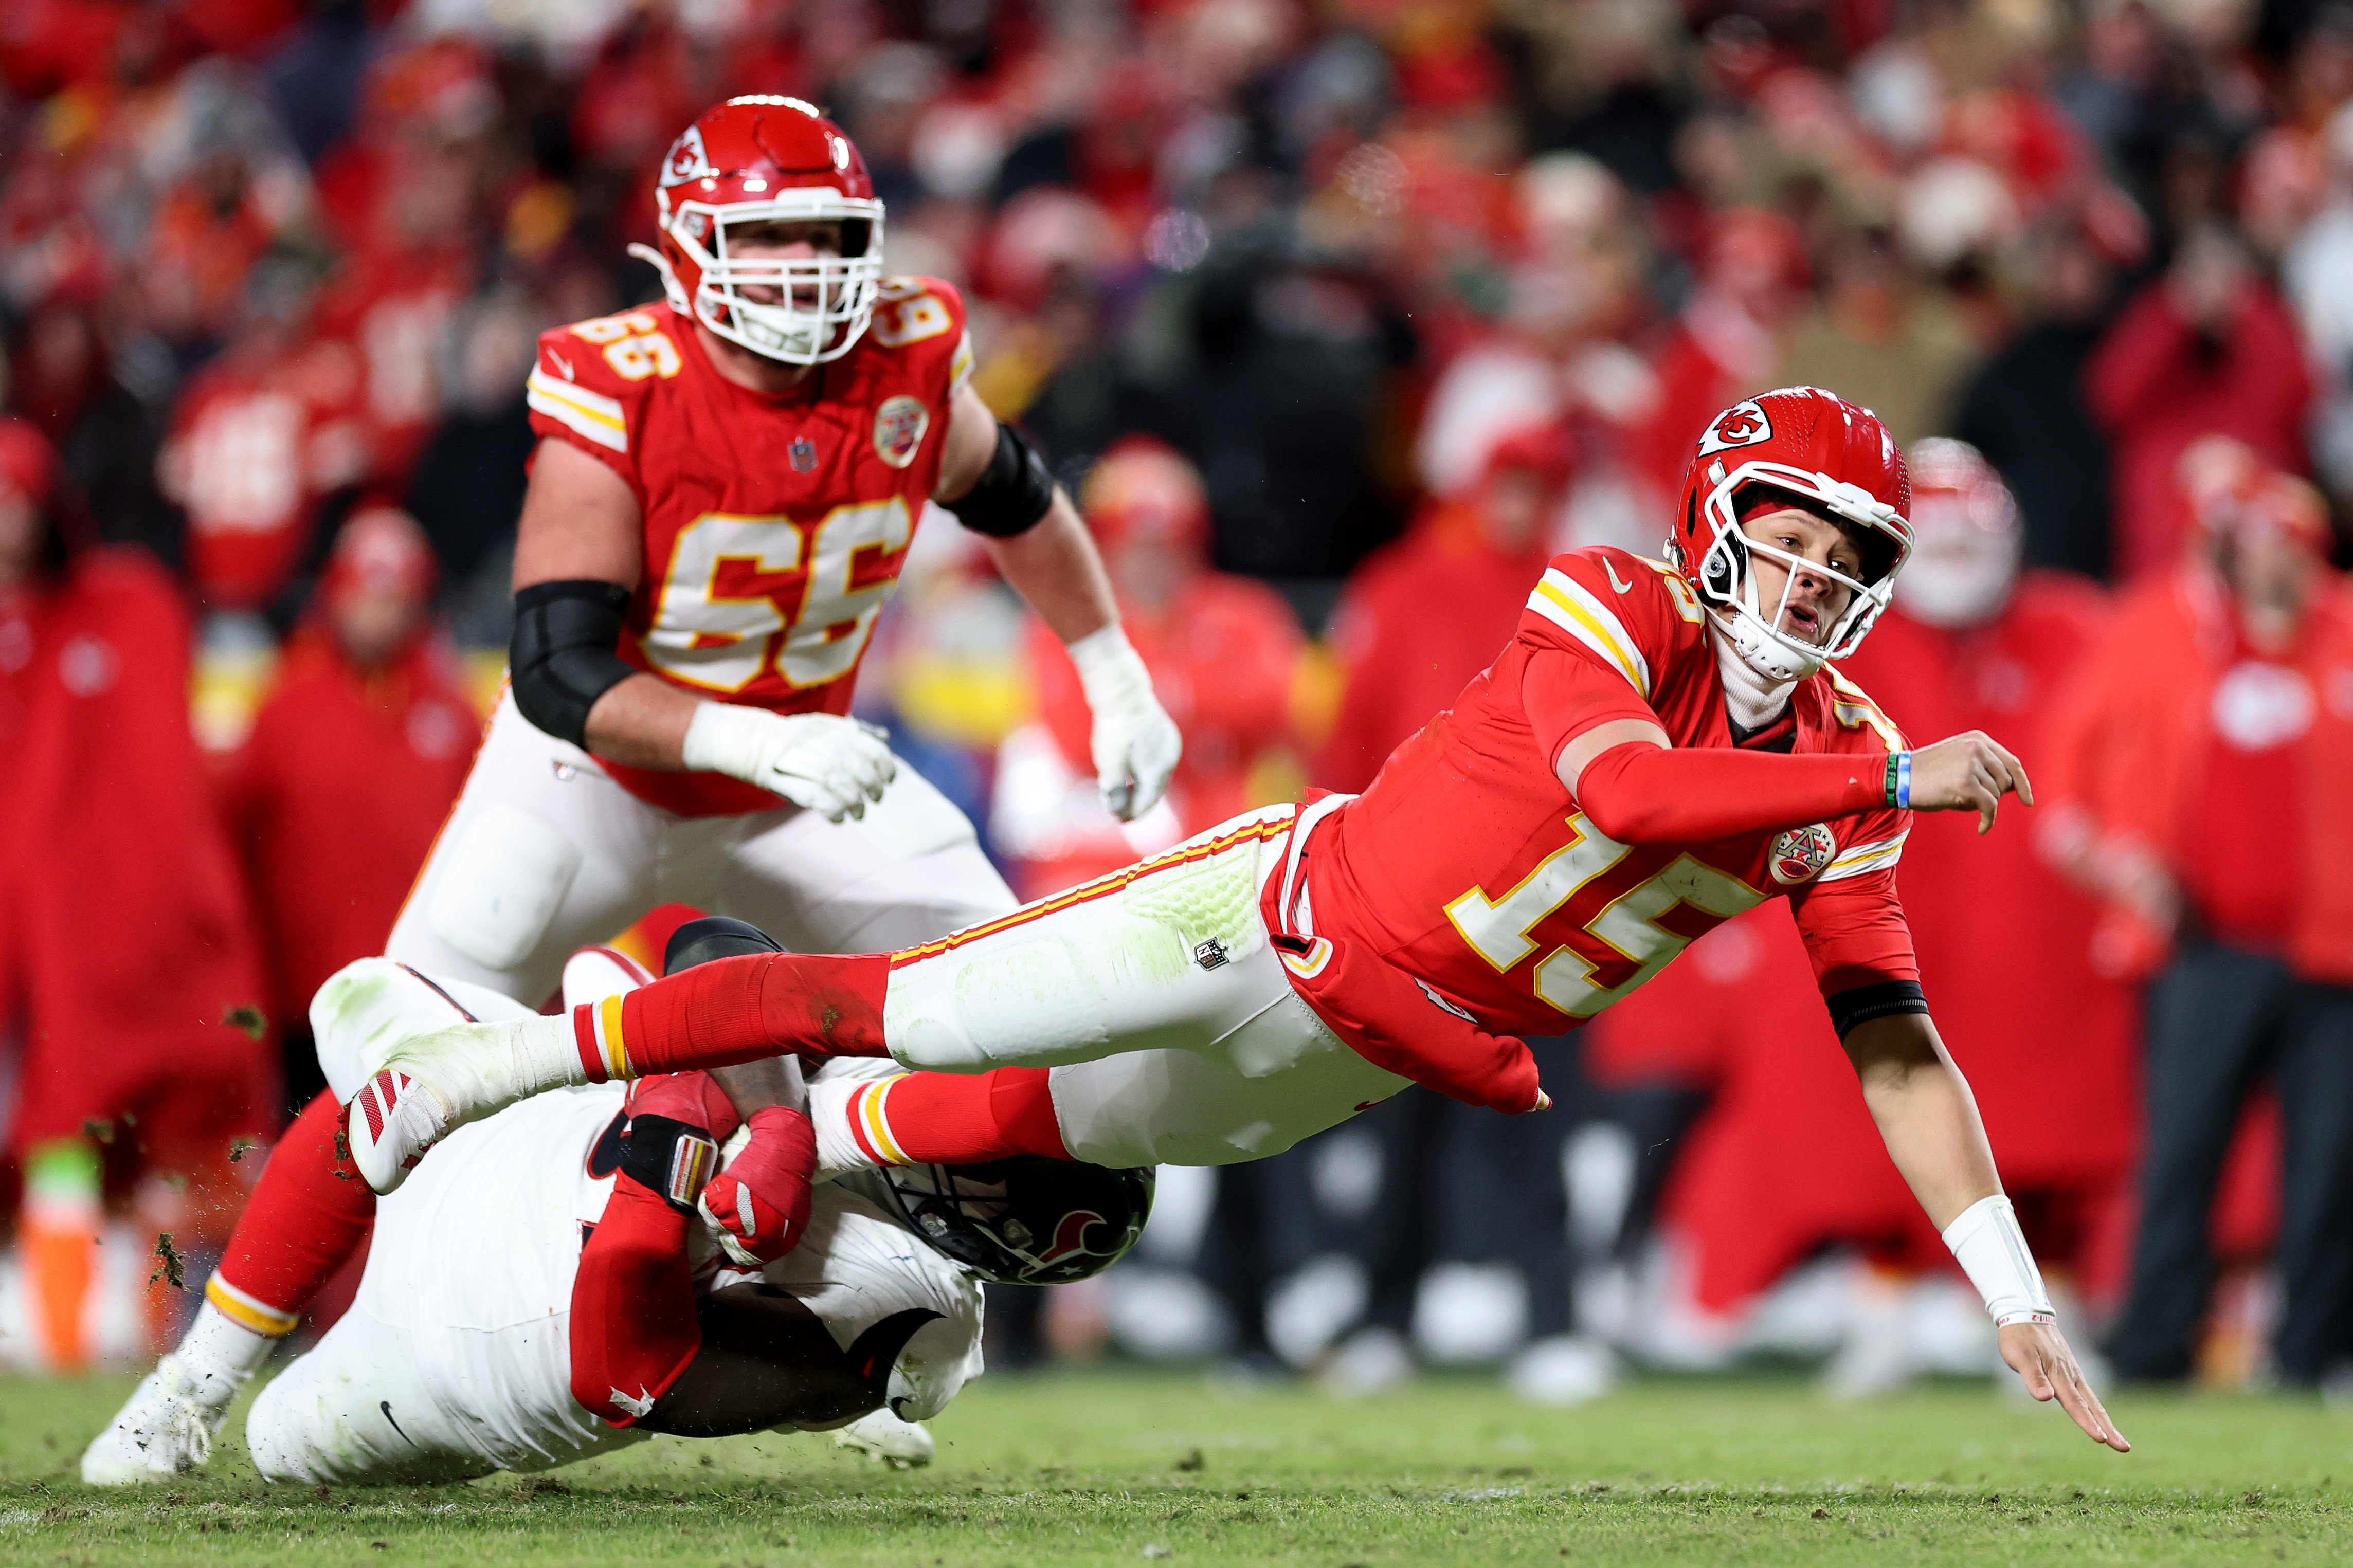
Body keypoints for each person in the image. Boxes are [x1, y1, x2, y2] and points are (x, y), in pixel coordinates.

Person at [351, 387, 2131, 1450]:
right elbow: (1622, 794)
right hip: (1255, 918)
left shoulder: (1847, 753)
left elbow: (1891, 1046)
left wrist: (2009, 1296)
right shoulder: (1617, 599)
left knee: (992, 1175)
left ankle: (703, 1142)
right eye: (1791, 532)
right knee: (886, 1011)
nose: (1817, 576)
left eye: (1853, 558)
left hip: (1333, 1067)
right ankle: (488, 1066)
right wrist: (1882, 789)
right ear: (1711, 517)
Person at [86, 95, 1180, 1481]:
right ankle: (196, 1383)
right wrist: (749, 738)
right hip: (597, 778)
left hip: (811, 789)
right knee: (394, 1070)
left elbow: (1015, 497)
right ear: (684, 246)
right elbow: (556, 663)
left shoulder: (906, 353)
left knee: (1013, 1008)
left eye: (825, 236)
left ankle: (898, 1331)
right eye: (763, 237)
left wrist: (1110, 665)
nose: (800, 269)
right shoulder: (622, 380)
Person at [229, 954, 1149, 1484]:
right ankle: (186, 1383)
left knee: (277, 1442)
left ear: (996, 1229)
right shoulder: (906, 1079)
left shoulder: (923, 1319)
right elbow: (722, 951)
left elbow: (625, 1372)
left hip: (466, 1363)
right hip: (515, 1139)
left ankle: (854, 1414)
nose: (957, 1123)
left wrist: (675, 1126)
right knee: (355, 995)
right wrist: (773, 1118)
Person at [2046, 466, 2353, 1386]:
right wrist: (2117, 864)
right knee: (2181, 1154)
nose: (2272, 567)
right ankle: (2151, 1353)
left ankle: (2313, 1358)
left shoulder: (2344, 636)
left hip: (2332, 952)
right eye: (2254, 545)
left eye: (2289, 548)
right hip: (2203, 947)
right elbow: (2064, 785)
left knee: (2329, 1165)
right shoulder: (2160, 636)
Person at [0, 418, 274, 1369]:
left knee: (156, 1135)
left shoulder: (120, 607)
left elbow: (147, 783)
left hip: (114, 933)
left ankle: (153, 1345)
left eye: (15, 501)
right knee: (58, 1129)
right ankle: (64, 1346)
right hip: (37, 938)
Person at [224, 504, 477, 1108]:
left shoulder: (452, 712)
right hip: (305, 997)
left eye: (395, 597)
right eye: (365, 593)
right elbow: (235, 836)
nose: (378, 612)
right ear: (336, 595)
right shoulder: (286, 705)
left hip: (422, 994)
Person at [995, 436, 1303, 898]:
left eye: (1169, 541)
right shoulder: (1063, 620)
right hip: (1102, 859)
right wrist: (1195, 713)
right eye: (1134, 541)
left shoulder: (1247, 613)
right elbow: (1081, 739)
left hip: (1227, 847)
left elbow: (1272, 709)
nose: (1151, 558)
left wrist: (1156, 704)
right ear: (1105, 542)